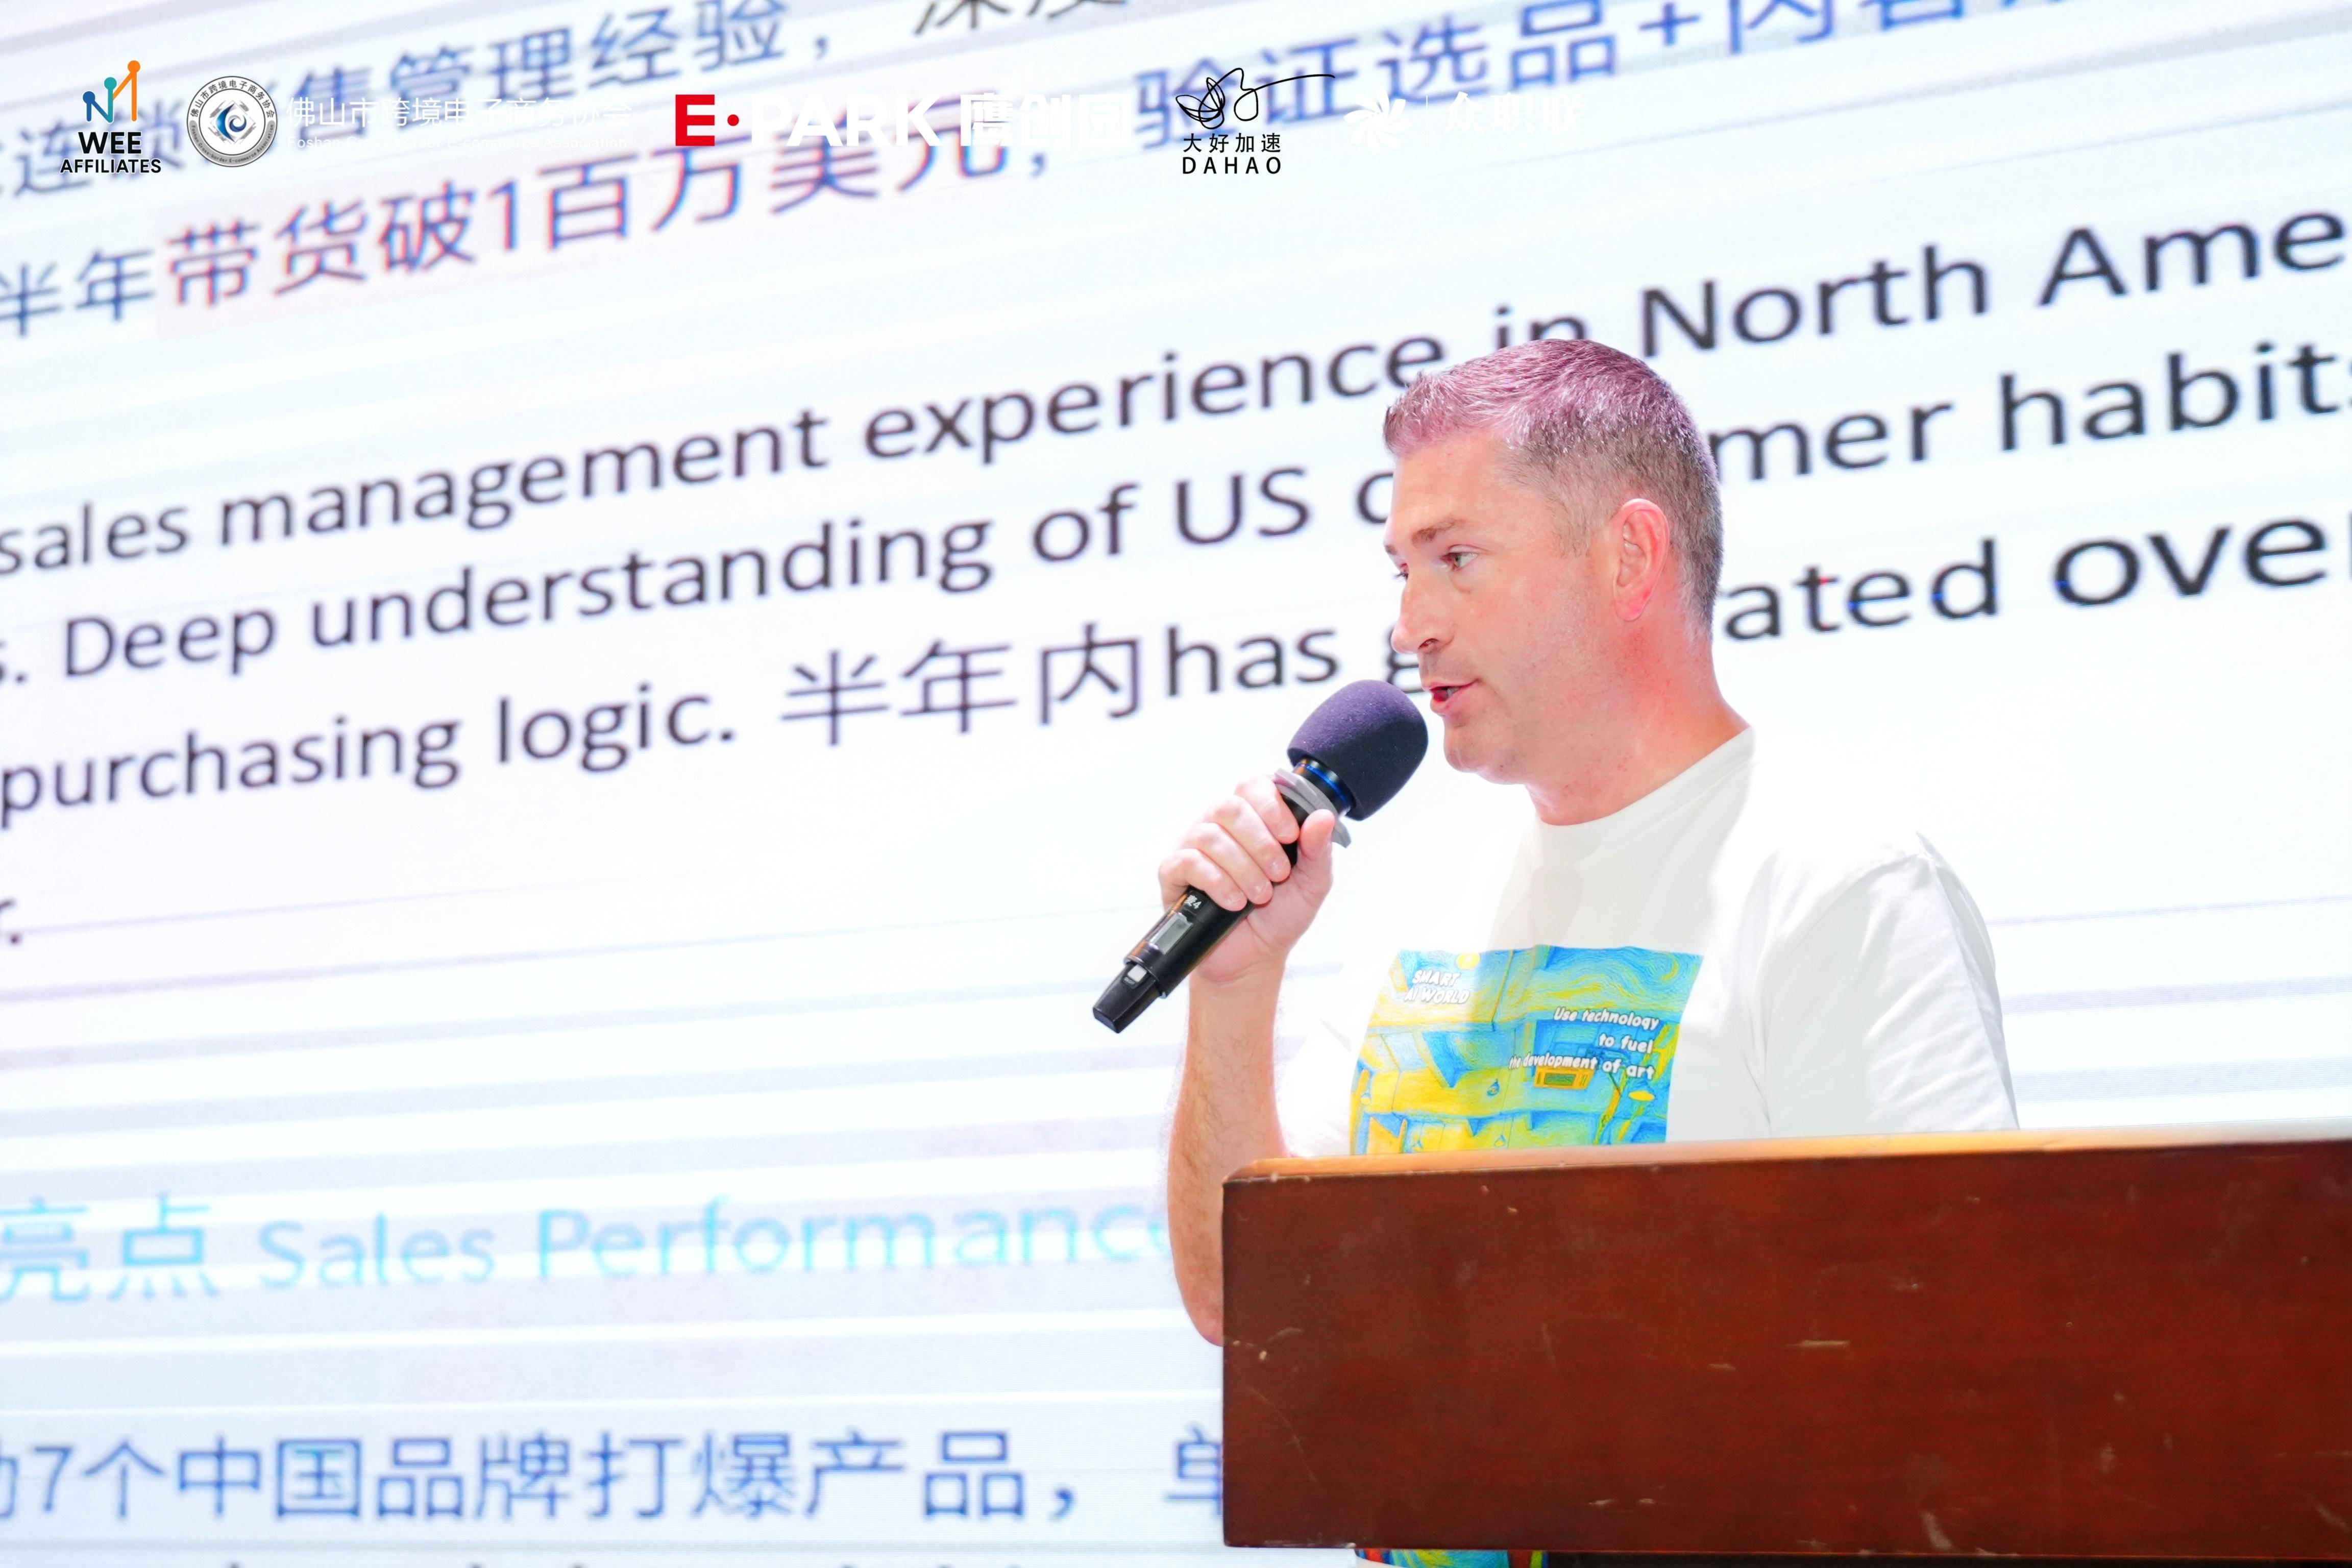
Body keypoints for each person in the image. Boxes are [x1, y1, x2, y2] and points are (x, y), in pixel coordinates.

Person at [1162, 336, 2018, 1378]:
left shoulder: (1841, 887)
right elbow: (1241, 1303)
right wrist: (1234, 989)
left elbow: (1945, 1333)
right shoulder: (1425, 900)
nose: (1411, 626)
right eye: (1404, 572)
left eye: (1456, 560)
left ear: (1629, 559)